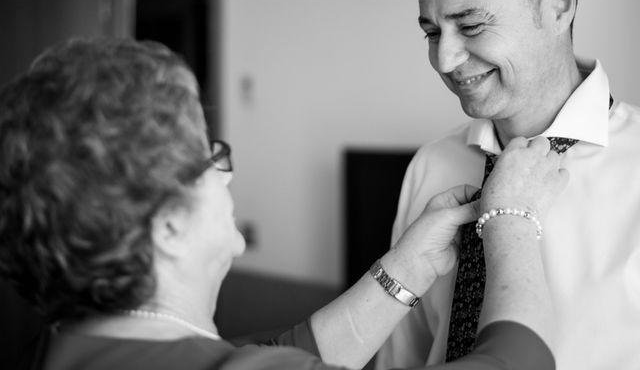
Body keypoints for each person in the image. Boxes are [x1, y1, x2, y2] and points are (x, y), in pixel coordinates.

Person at [0, 37, 566, 370]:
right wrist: (511, 219)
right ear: (167, 224)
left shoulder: (56, 348)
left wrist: (408, 268)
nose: (227, 173)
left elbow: (275, 353)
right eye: (209, 154)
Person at [375, 0, 640, 370]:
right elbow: (404, 356)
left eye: (471, 25)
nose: (445, 60)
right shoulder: (430, 167)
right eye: (432, 33)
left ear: (559, 7)